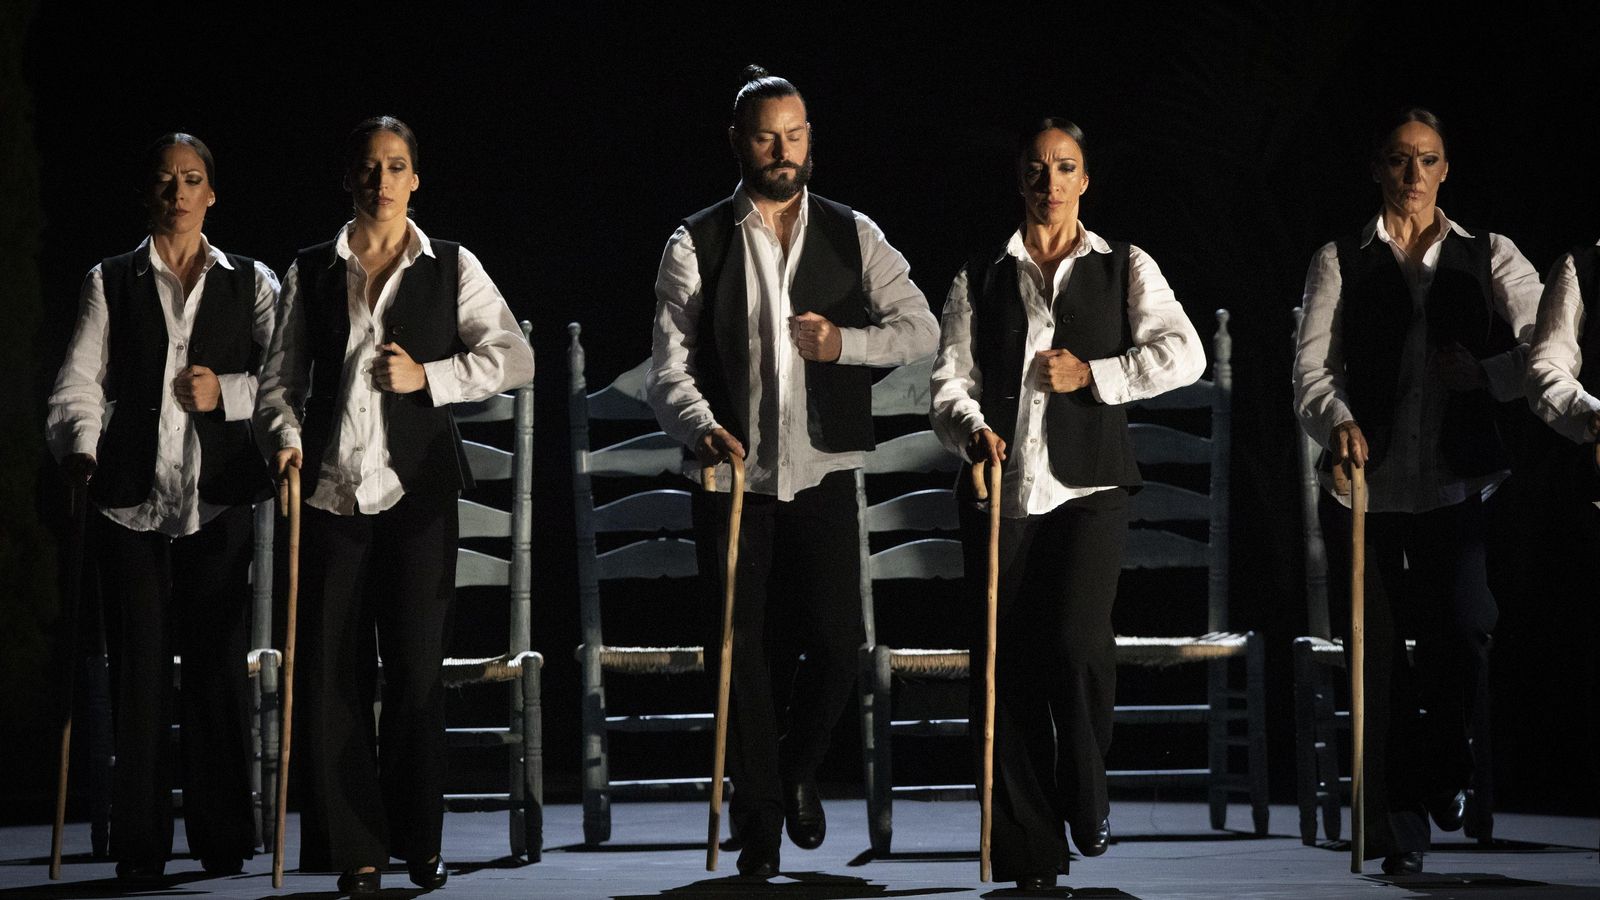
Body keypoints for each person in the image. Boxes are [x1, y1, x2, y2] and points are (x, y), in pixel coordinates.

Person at [647, 65, 938, 878]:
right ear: (738, 143)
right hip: (732, 473)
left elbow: (918, 328)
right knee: (737, 649)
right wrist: (702, 427)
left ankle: (791, 772)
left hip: (823, 469)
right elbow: (667, 368)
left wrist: (847, 344)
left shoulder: (853, 232)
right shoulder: (697, 238)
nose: (785, 150)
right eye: (769, 136)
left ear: (812, 139)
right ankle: (765, 819)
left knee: (838, 642)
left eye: (797, 134)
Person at [255, 116, 534, 895]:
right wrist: (281, 437)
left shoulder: (451, 265)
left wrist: (431, 378)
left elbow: (516, 355)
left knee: (413, 672)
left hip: (416, 494)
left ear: (417, 179)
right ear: (350, 178)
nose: (383, 181)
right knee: (334, 676)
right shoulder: (313, 268)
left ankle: (419, 841)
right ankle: (358, 849)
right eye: (371, 167)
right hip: (333, 492)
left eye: (398, 166)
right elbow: (279, 385)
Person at [929, 117, 1204, 891]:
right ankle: (1031, 853)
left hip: (1090, 486)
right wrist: (971, 429)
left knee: (1079, 644)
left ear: (1085, 180)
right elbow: (949, 380)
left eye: (1066, 168)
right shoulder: (981, 272)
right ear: (1020, 178)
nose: (1050, 183)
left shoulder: (1125, 266)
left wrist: (1097, 374)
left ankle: (1087, 785)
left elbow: (1185, 352)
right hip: (1003, 490)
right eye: (1038, 169)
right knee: (1004, 669)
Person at [1292, 108, 1542, 875]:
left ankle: (1446, 765)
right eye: (1398, 161)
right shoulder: (1341, 258)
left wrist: (1488, 375)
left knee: (1463, 631)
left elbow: (1547, 344)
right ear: (1377, 168)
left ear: (1444, 170)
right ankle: (1401, 835)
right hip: (1366, 490)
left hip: (1454, 479)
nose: (1412, 176)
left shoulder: (1487, 253)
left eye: (1427, 161)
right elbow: (1310, 372)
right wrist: (1337, 420)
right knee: (1378, 662)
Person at [46, 132, 279, 884]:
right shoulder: (109, 279)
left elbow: (285, 381)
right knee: (140, 672)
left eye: (193, 179)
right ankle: (140, 842)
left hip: (214, 500)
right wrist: (80, 445)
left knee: (215, 669)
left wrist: (228, 393)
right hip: (130, 504)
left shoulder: (252, 281)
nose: (178, 191)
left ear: (211, 193)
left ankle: (222, 837)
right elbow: (79, 380)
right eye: (166, 180)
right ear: (151, 193)